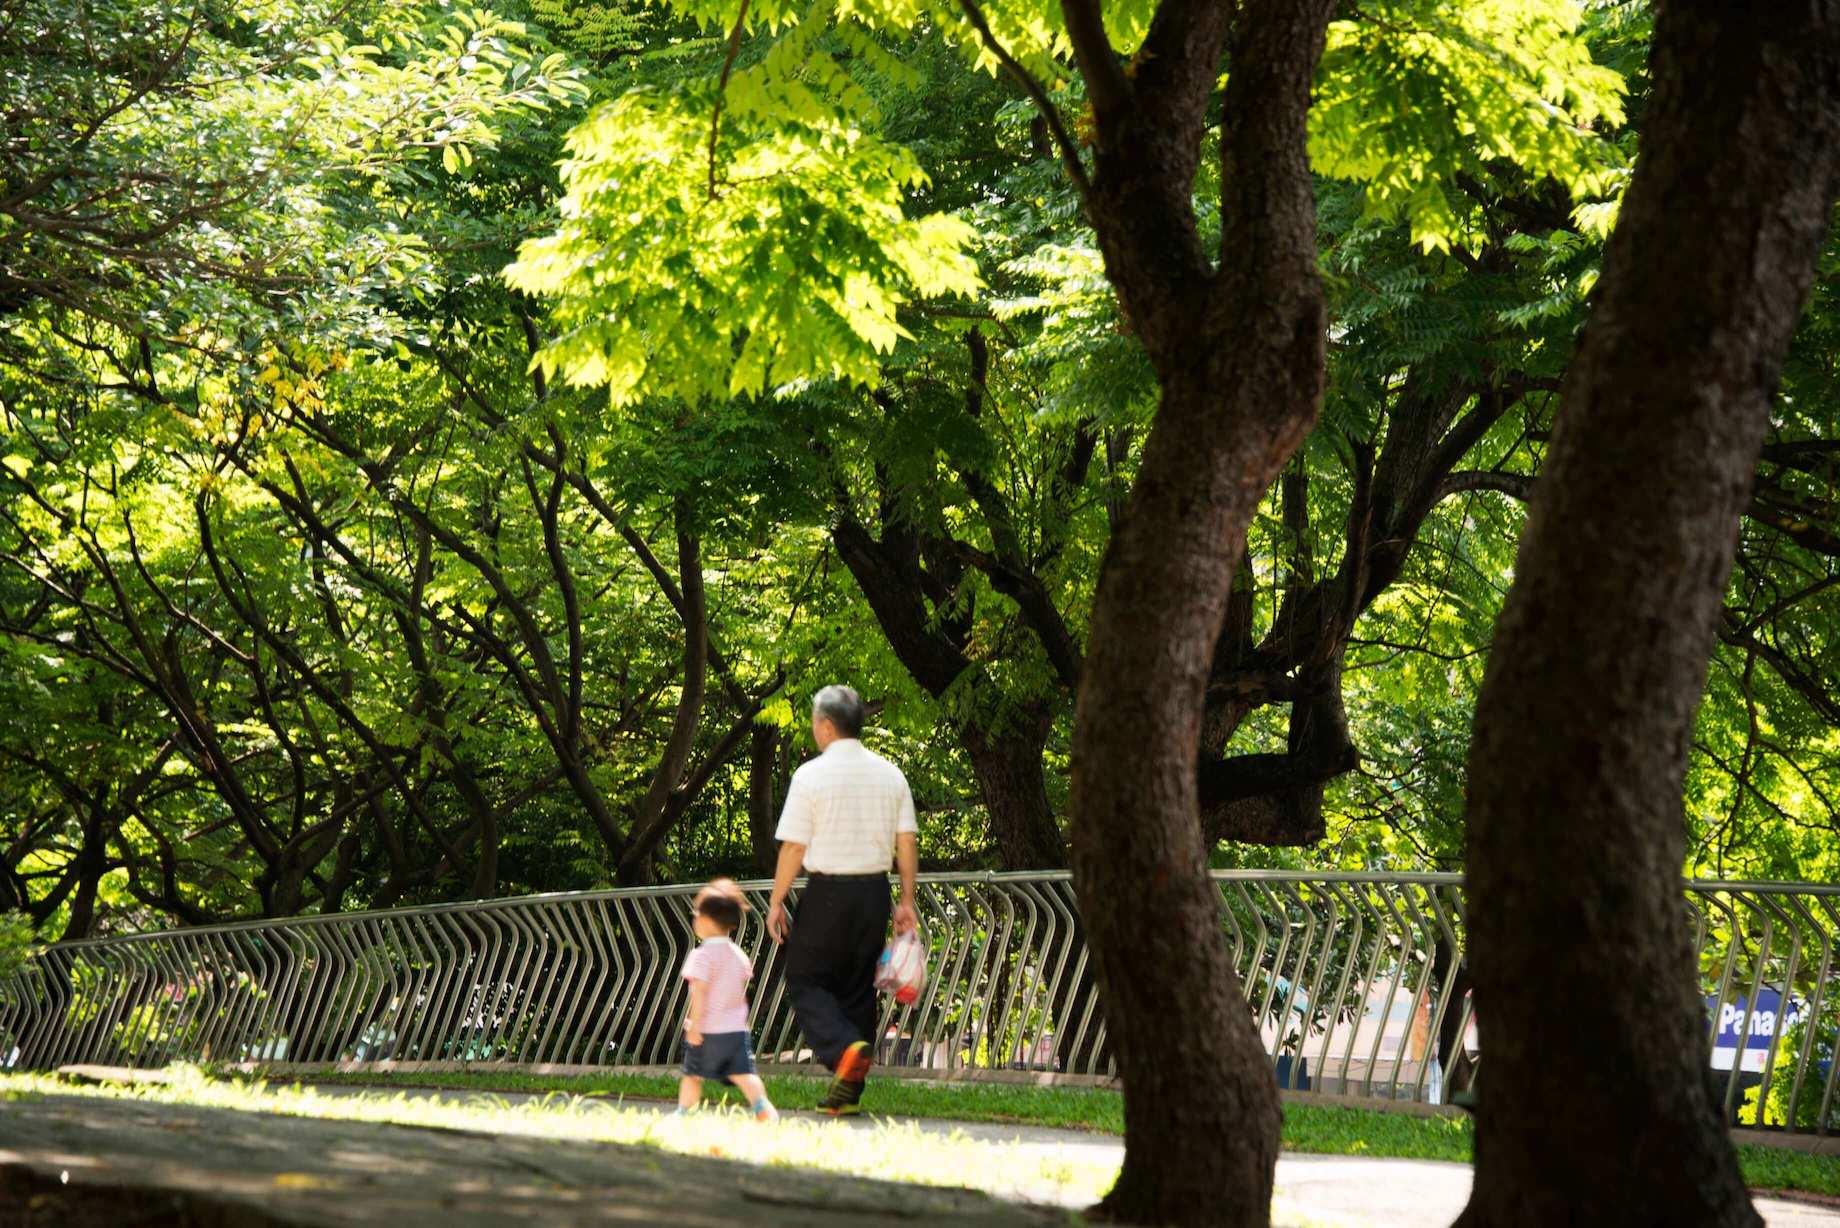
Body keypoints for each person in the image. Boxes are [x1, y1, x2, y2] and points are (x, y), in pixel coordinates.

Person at [766, 685, 919, 1116]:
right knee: (856, 987)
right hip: (874, 892)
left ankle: (843, 1050)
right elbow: (905, 840)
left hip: (828, 891)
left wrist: (777, 900)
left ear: (827, 726)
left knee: (803, 976)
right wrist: (906, 900)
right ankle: (847, 1092)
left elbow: (794, 847)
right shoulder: (891, 774)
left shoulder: (810, 776)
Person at [677, 878, 778, 1122]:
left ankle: (684, 1113)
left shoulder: (701, 956)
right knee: (744, 1074)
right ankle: (762, 1106)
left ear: (704, 919)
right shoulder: (738, 955)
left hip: (708, 1031)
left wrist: (694, 1024)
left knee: (692, 1074)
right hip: (736, 1030)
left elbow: (699, 993)